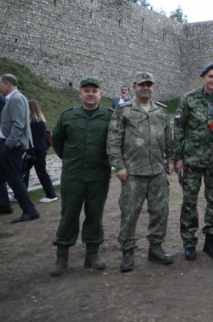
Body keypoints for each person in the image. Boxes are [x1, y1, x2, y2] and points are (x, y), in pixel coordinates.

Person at [107, 72, 174, 272]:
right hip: (133, 172)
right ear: (134, 86)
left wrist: (170, 160)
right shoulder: (123, 110)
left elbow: (169, 139)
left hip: (157, 172)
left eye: (149, 84)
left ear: (153, 87)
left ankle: (155, 248)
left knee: (160, 211)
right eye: (142, 84)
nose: (146, 87)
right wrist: (118, 165)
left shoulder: (161, 111)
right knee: (129, 213)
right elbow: (113, 139)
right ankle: (127, 252)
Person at [49, 78, 113, 276]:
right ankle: (62, 256)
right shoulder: (68, 116)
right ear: (80, 94)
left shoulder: (110, 117)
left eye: (94, 90)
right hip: (73, 174)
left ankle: (92, 255)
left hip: (99, 174)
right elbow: (58, 142)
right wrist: (71, 159)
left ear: (101, 94)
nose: (90, 94)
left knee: (95, 214)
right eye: (86, 90)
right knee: (69, 214)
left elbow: (115, 142)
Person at [174, 63, 213, 261]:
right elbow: (179, 129)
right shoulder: (188, 99)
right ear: (203, 78)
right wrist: (178, 157)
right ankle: (189, 242)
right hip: (192, 160)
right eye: (211, 76)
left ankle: (210, 240)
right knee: (189, 202)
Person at [0, 74, 39, 222]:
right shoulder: (13, 99)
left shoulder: (16, 99)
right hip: (9, 145)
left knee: (15, 179)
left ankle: (30, 210)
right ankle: (5, 205)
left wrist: (8, 145)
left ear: (7, 84)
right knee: (6, 178)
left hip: (12, 147)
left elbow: (18, 125)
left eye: (0, 84)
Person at [23, 100, 58, 202]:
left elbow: (34, 139)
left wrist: (30, 152)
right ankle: (21, 192)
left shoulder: (34, 122)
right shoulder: (39, 121)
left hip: (37, 151)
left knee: (40, 172)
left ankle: (51, 194)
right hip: (39, 150)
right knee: (24, 171)